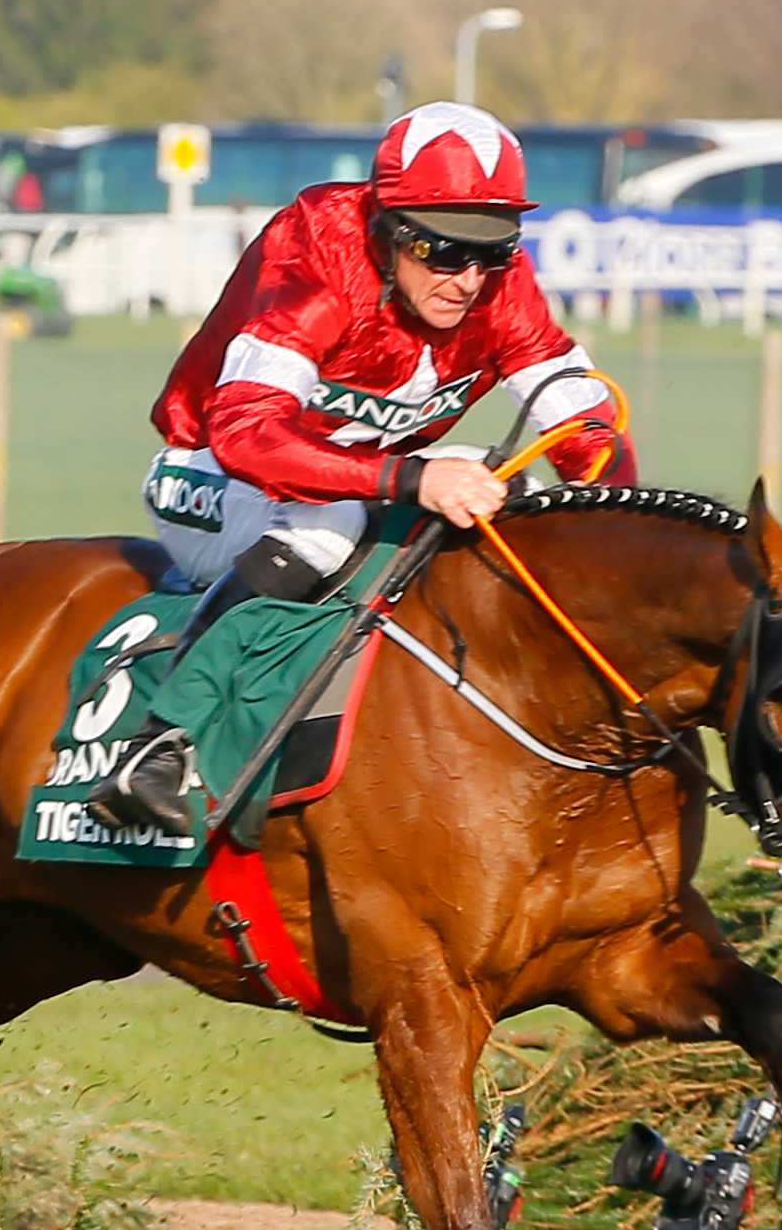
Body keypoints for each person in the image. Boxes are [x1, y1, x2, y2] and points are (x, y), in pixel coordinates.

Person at [86, 101, 634, 835]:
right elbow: (247, 433)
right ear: (388, 230)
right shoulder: (315, 258)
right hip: (212, 471)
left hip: (358, 476)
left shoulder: (499, 282)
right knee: (330, 521)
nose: (468, 279)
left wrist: (615, 518)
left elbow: (581, 425)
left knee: (512, 493)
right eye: (442, 252)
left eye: (490, 252)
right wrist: (408, 480)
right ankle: (161, 744)